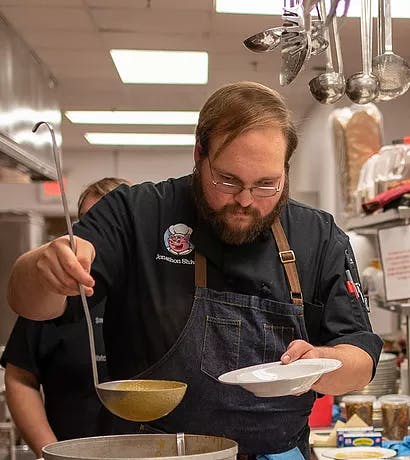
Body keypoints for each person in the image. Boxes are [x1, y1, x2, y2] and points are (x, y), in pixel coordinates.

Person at [7, 82, 383, 459]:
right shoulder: (138, 214)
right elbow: (31, 303)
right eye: (228, 180)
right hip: (158, 453)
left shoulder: (317, 235)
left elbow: (361, 360)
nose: (246, 200)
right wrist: (43, 270)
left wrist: (320, 364)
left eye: (267, 184)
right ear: (199, 154)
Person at [1, 177, 131, 458]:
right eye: (89, 224)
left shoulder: (152, 291)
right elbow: (20, 377)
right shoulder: (51, 293)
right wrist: (51, 452)